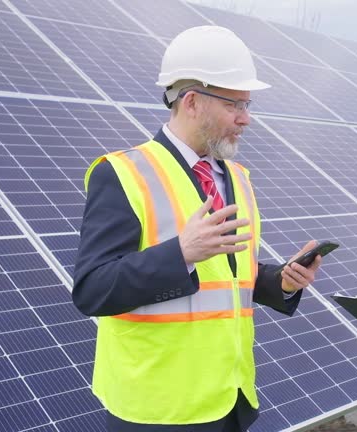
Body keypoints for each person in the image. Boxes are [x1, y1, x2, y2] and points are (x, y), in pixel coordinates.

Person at [73, 25, 323, 432]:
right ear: (192, 101)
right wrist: (181, 253)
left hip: (228, 399)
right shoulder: (122, 174)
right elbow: (92, 289)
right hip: (157, 410)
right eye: (235, 105)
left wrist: (283, 281)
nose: (246, 119)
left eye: (248, 104)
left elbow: (228, 277)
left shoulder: (237, 177)